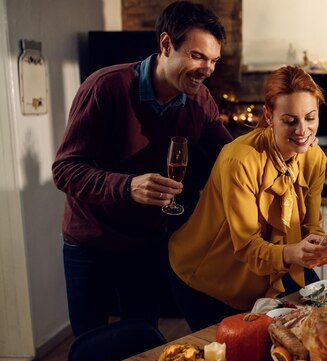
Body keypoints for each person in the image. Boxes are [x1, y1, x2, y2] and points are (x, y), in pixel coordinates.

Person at [52, 1, 232, 337]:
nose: (208, 69)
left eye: (213, 60)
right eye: (197, 56)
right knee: (89, 348)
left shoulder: (200, 99)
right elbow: (65, 169)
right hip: (91, 244)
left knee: (142, 340)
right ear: (166, 45)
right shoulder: (105, 87)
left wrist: (285, 137)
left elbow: (231, 154)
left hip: (146, 244)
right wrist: (127, 187)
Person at [168, 66, 327, 331]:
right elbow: (246, 247)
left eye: (310, 118)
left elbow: (311, 227)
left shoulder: (314, 158)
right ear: (269, 115)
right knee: (232, 360)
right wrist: (295, 252)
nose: (303, 130)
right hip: (207, 278)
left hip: (268, 273)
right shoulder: (239, 160)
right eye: (290, 120)